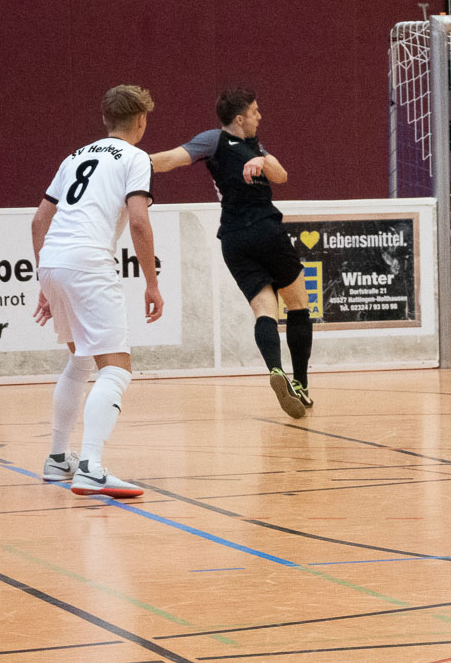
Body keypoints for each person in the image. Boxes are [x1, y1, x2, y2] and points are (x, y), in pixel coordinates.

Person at [32, 84, 163, 498]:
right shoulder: (136, 158)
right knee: (116, 368)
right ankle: (90, 467)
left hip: (53, 260)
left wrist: (45, 281)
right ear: (140, 120)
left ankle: (58, 459)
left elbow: (39, 221)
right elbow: (138, 221)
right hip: (88, 264)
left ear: (106, 119)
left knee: (81, 360)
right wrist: (152, 283)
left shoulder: (74, 157)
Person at [149, 88, 312, 418]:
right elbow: (169, 159)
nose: (259, 116)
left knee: (264, 308)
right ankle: (300, 384)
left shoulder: (255, 147)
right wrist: (132, 159)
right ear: (239, 119)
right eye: (254, 111)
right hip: (266, 231)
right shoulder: (215, 139)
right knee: (298, 305)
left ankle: (275, 369)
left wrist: (262, 159)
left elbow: (280, 175)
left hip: (234, 240)